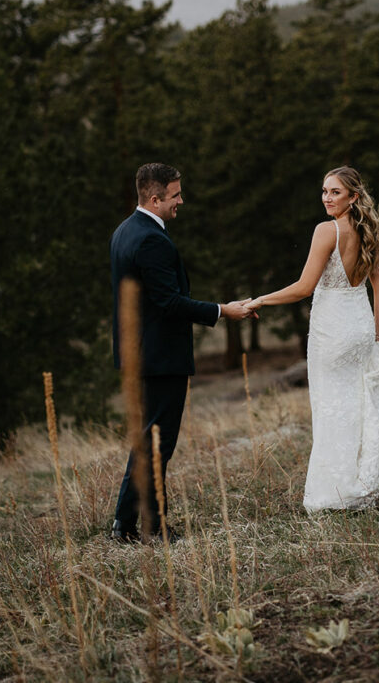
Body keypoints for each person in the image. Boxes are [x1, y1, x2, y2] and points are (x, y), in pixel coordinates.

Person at [245, 166, 379, 511]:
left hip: (332, 332)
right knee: (358, 407)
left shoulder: (327, 231)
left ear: (353, 196)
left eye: (335, 192)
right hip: (361, 325)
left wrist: (261, 299)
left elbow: (304, 288)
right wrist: (378, 331)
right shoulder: (371, 231)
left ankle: (334, 491)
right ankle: (363, 479)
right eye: (324, 191)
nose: (326, 198)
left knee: (331, 410)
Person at [110, 162, 253, 543]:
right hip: (159, 357)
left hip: (139, 354)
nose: (181, 201)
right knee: (158, 443)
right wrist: (224, 310)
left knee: (147, 439)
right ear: (154, 199)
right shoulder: (151, 239)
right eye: (175, 195)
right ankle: (149, 527)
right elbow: (170, 303)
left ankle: (124, 525)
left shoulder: (124, 231)